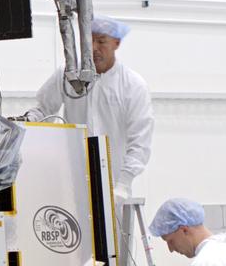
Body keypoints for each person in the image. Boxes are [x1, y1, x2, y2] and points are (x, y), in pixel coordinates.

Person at [23, 16, 153, 200]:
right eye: (89, 41)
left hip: (114, 185)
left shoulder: (132, 85)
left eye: (101, 41)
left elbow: (140, 141)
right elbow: (43, 109)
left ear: (116, 43)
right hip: (72, 181)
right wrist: (28, 122)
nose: (93, 48)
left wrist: (123, 184)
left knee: (111, 228)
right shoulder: (68, 74)